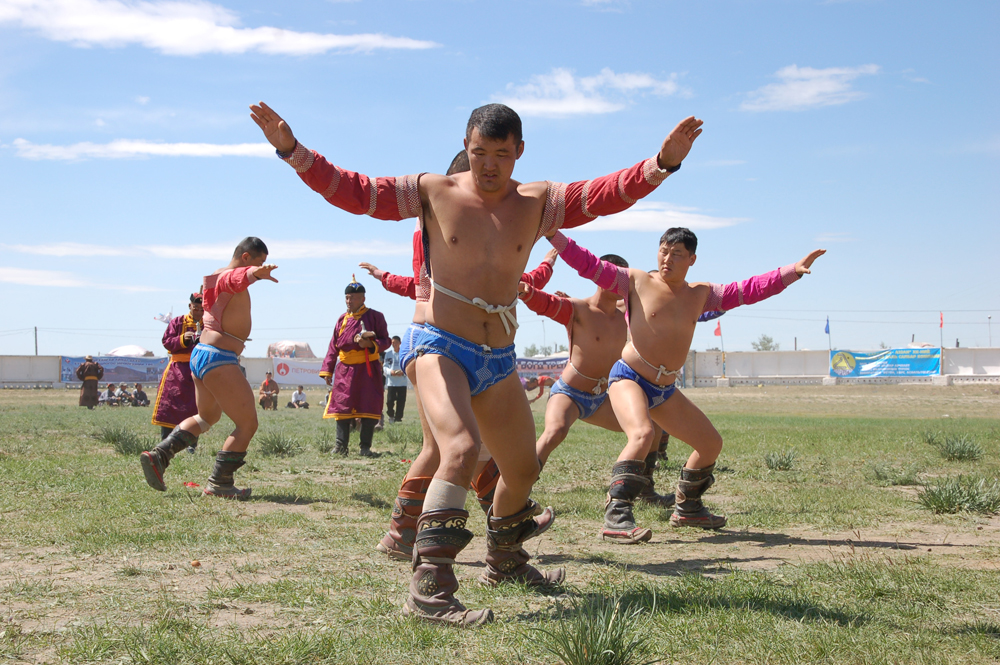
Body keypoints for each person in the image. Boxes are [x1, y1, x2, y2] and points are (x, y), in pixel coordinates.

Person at [252, 99, 701, 626]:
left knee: (523, 468)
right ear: (466, 149)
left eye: (501, 155)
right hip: (438, 344)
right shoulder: (431, 191)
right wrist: (293, 151)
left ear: (519, 154)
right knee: (460, 448)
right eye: (479, 152)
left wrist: (660, 165)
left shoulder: (539, 202)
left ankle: (504, 560)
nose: (489, 165)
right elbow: (356, 191)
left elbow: (604, 195)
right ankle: (430, 587)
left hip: (498, 357)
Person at [548, 227, 824, 541]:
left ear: (691, 259)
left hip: (664, 390)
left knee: (710, 444)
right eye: (663, 251)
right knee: (642, 434)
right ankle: (617, 514)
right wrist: (552, 234)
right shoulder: (636, 281)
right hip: (629, 377)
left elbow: (749, 290)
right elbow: (587, 263)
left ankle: (688, 507)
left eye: (677, 254)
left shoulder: (701, 294)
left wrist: (791, 272)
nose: (667, 259)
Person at [140, 237, 278, 500]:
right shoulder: (229, 275)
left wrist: (251, 273)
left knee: (206, 418)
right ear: (246, 257)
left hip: (203, 354)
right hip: (219, 357)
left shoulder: (216, 277)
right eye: (259, 261)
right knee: (247, 424)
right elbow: (235, 279)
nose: (262, 268)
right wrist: (253, 274)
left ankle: (159, 455)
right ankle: (220, 483)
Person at [320, 277, 391, 456]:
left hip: (368, 369)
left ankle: (365, 448)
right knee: (342, 407)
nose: (349, 301)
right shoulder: (342, 320)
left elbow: (386, 340)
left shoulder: (376, 316)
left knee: (367, 406)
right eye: (347, 298)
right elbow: (333, 346)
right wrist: (327, 369)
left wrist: (370, 345)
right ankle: (340, 446)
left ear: (363, 299)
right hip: (345, 370)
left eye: (353, 298)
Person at [152, 293, 204, 450]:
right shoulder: (177, 322)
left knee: (195, 409)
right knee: (169, 407)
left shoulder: (208, 324)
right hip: (176, 371)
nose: (198, 312)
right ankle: (164, 445)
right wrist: (182, 338)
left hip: (197, 370)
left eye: (202, 309)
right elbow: (166, 342)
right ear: (190, 306)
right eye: (195, 308)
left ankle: (192, 445)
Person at [383, 336, 407, 423]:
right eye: (392, 343)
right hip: (391, 382)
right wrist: (391, 372)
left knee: (401, 401)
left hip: (402, 382)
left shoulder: (404, 353)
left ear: (400, 343)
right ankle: (391, 416)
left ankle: (398, 419)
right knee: (390, 401)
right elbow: (385, 367)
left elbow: (408, 365)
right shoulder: (388, 354)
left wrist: (403, 372)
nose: (394, 344)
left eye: (395, 342)